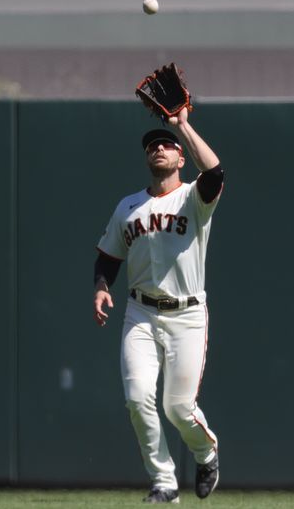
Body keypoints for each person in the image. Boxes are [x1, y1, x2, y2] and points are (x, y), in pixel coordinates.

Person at [93, 107, 224, 504]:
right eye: (152, 147)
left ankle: (206, 454)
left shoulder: (194, 199)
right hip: (141, 313)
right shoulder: (128, 207)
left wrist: (181, 126)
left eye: (165, 146)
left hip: (186, 314)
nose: (158, 149)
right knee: (137, 399)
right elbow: (108, 256)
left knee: (179, 408)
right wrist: (101, 285)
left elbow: (216, 173)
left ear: (181, 157)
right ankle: (164, 481)